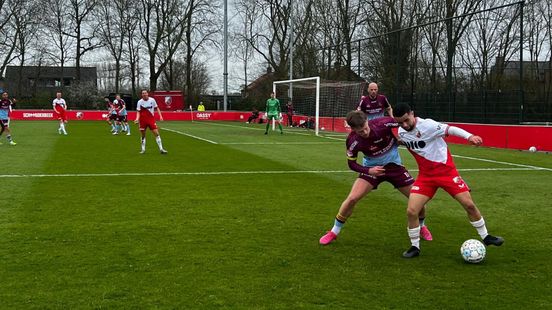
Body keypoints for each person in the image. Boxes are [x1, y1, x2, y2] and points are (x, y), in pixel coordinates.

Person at [393, 103, 503, 258]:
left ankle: (486, 237)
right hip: (425, 177)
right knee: (412, 211)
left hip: (447, 173)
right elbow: (404, 140)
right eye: (400, 123)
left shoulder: (428, 125)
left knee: (469, 205)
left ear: (412, 114)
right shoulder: (401, 131)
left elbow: (450, 129)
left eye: (406, 120)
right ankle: (415, 247)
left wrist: (469, 136)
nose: (404, 125)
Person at [319, 110, 433, 245]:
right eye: (360, 131)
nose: (365, 132)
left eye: (365, 128)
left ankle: (422, 226)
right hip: (372, 169)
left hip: (395, 167)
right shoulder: (352, 141)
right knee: (352, 198)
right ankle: (334, 232)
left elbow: (404, 123)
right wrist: (369, 170)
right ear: (353, 129)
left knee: (417, 199)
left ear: (367, 121)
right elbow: (351, 164)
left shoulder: (384, 123)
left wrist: (400, 136)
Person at [134, 90, 167, 154]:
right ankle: (143, 150)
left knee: (156, 133)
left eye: (145, 93)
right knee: (143, 135)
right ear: (142, 95)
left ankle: (161, 149)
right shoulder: (139, 102)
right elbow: (138, 111)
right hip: (142, 120)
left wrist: (160, 116)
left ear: (147, 94)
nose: (144, 94)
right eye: (143, 93)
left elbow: (157, 108)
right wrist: (137, 119)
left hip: (151, 119)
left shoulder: (152, 100)